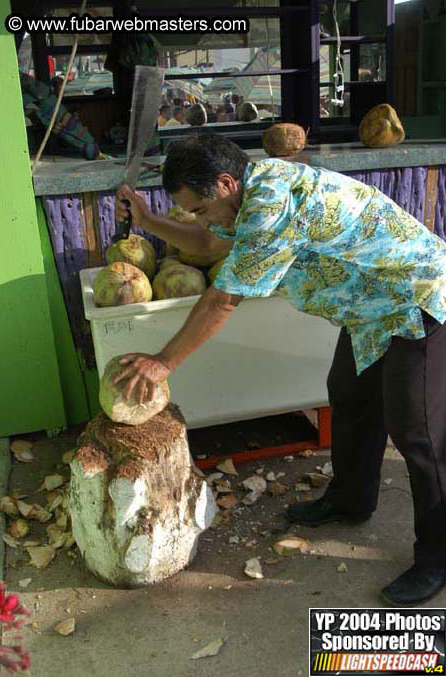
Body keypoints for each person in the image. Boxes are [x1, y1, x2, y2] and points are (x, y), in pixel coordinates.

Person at [115, 134, 446, 608]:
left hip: (416, 298)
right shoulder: (246, 197)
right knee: (349, 396)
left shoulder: (272, 205)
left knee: (421, 434)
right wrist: (147, 220)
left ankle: (437, 557)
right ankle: (352, 500)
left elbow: (224, 298)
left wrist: (163, 361)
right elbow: (210, 245)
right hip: (369, 308)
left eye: (199, 207)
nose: (198, 218)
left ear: (226, 183)